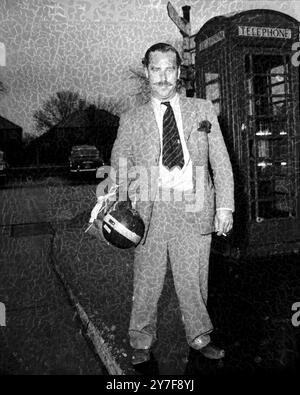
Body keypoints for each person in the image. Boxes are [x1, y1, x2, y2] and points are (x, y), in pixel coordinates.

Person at [107, 42, 234, 365]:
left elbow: (221, 161)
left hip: (195, 205)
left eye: (169, 69)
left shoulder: (202, 109)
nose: (163, 77)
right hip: (150, 210)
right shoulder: (131, 119)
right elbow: (119, 164)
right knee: (148, 281)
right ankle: (140, 340)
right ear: (147, 72)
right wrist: (120, 202)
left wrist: (225, 206)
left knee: (193, 281)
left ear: (179, 73)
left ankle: (199, 336)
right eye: (156, 69)